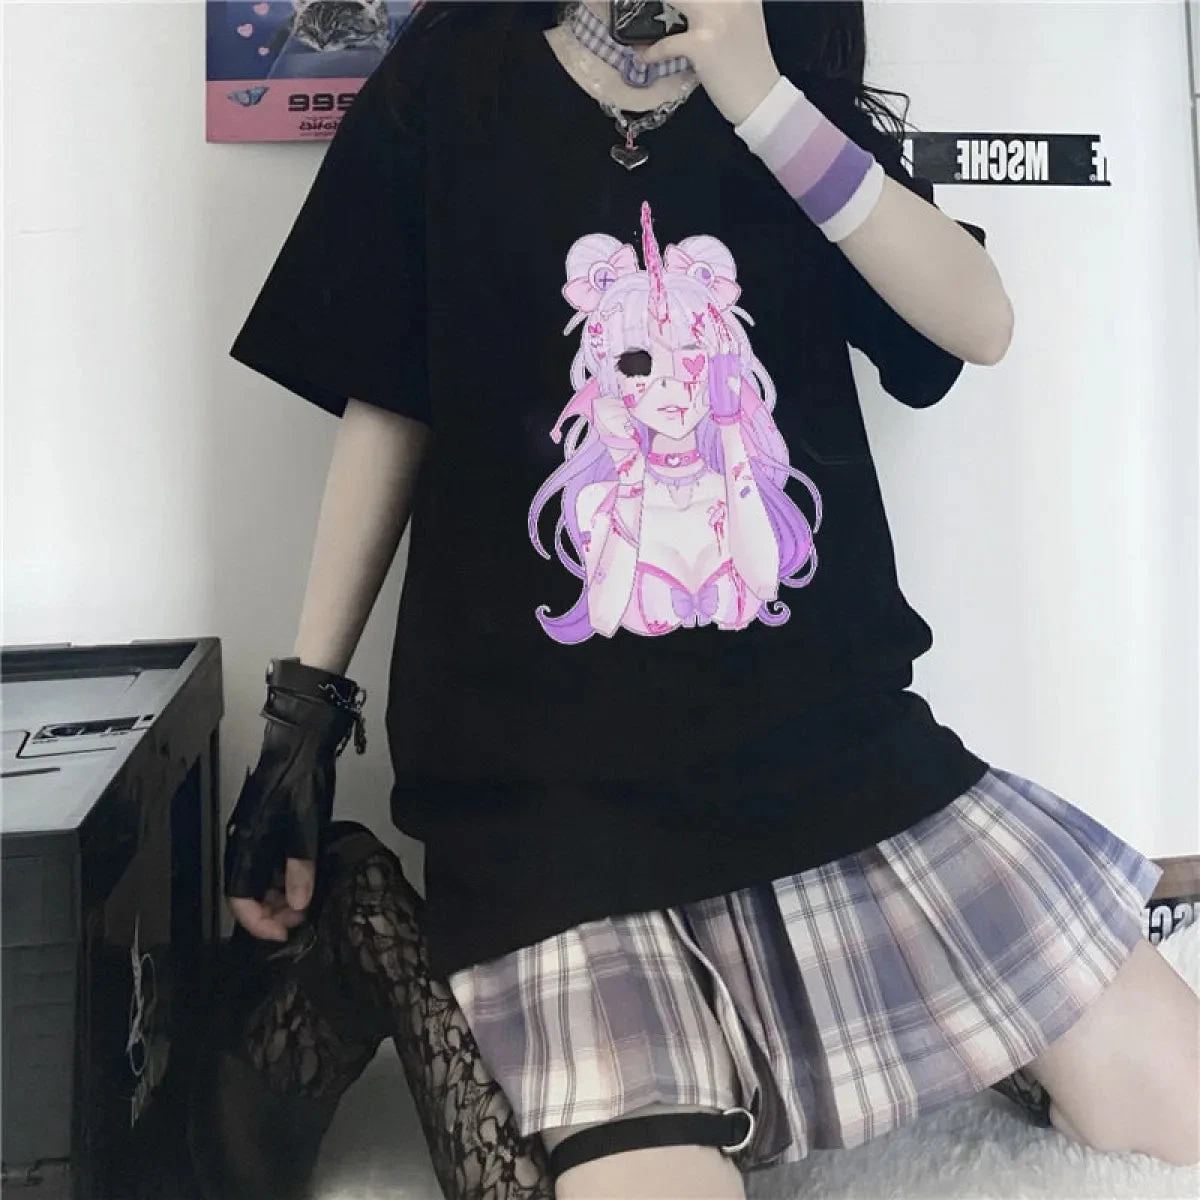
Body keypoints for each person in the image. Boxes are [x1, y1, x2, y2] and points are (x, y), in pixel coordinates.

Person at [220, 2, 1200, 1197]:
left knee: (1177, 1105)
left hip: (839, 761)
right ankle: (386, 947)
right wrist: (304, 716)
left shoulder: (787, 98)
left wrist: (761, 93)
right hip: (552, 806)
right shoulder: (450, 81)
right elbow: (390, 401)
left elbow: (975, 322)